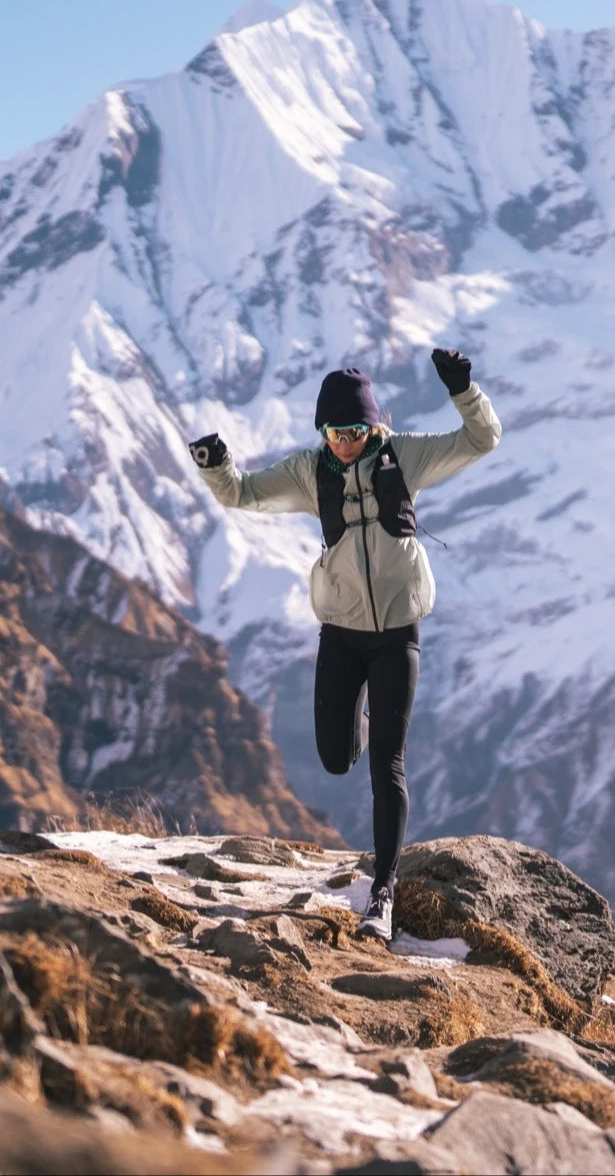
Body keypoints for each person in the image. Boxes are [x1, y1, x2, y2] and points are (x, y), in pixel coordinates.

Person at [187, 348, 501, 942]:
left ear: (374, 426)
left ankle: (382, 891)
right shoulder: (311, 472)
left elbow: (481, 438)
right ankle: (362, 715)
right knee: (336, 757)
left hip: (397, 636)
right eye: (335, 432)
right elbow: (243, 494)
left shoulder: (403, 456)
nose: (346, 442)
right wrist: (216, 465)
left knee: (388, 761)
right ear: (322, 432)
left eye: (356, 430)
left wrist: (463, 389)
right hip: (341, 635)